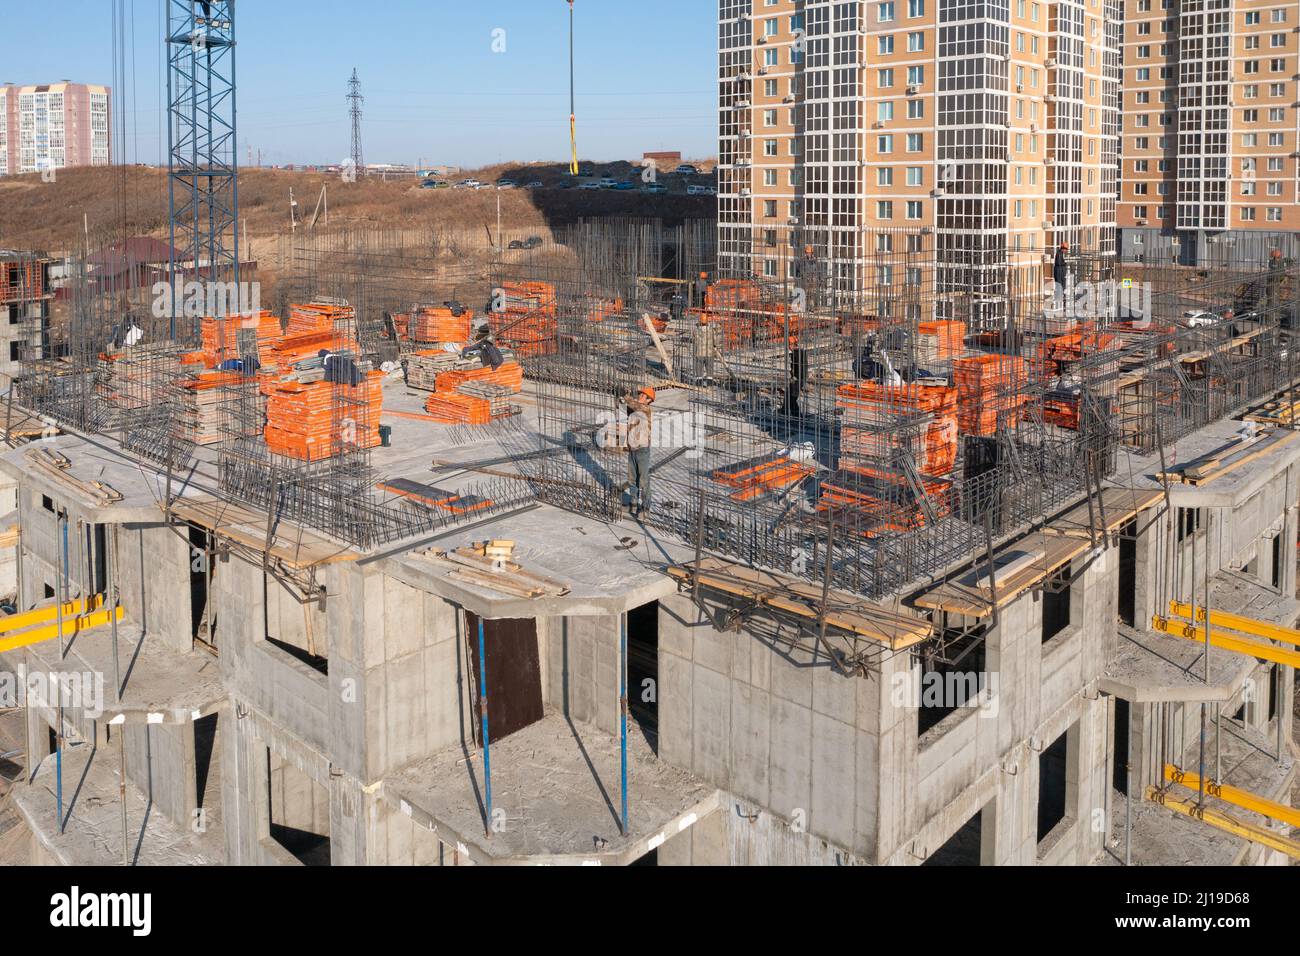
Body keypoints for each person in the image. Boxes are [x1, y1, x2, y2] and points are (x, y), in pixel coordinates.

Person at [624, 386, 655, 518]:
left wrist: (626, 397)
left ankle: (645, 507)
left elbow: (635, 405)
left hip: (643, 449)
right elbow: (628, 409)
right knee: (632, 478)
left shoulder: (646, 409)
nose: (640, 397)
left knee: (643, 479)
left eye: (643, 396)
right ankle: (633, 503)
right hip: (632, 448)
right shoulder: (634, 409)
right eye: (640, 395)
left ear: (648, 400)